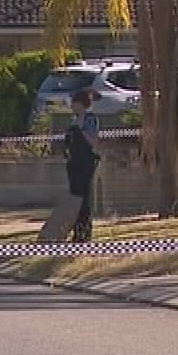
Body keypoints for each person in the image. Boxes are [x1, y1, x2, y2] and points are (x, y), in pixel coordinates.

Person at [65, 89, 101, 241]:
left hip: (85, 162)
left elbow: (92, 142)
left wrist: (81, 130)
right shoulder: (75, 119)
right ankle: (76, 230)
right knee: (74, 196)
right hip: (73, 162)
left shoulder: (89, 119)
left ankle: (84, 232)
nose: (72, 106)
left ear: (81, 104)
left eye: (74, 103)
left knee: (84, 198)